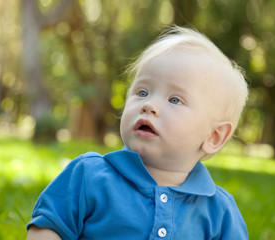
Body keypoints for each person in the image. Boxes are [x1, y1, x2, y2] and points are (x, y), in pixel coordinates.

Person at [26, 26, 249, 240]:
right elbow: (47, 228)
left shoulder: (220, 212)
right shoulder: (90, 175)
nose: (149, 105)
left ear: (214, 137)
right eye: (142, 92)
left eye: (174, 100)